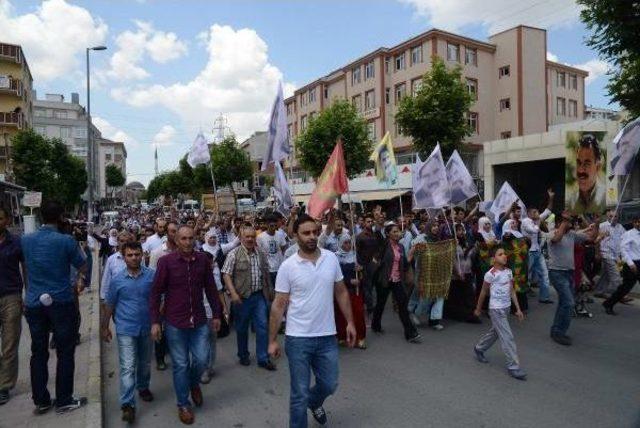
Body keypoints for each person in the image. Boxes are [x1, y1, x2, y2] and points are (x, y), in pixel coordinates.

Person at [268, 214, 356, 428]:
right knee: (298, 394)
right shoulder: (288, 266)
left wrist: (350, 323)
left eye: (315, 232)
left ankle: (315, 401)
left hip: (327, 336)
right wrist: (272, 340)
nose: (311, 236)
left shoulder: (331, 258)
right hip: (298, 339)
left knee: (330, 384)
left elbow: (342, 292)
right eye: (306, 233)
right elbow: (279, 304)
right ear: (295, 235)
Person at [149, 225, 222, 425]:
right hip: (175, 323)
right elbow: (155, 293)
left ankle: (193, 383)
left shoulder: (202, 261)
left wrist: (217, 314)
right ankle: (183, 403)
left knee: (201, 359)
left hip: (198, 320)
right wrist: (155, 321)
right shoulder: (166, 262)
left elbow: (211, 288)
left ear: (195, 239)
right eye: (183, 239)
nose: (188, 242)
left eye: (191, 238)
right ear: (177, 240)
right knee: (180, 364)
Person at [21, 200, 88, 414]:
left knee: (38, 352)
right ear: (61, 217)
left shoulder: (26, 240)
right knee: (65, 351)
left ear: (40, 216)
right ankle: (64, 400)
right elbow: (82, 263)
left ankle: (41, 401)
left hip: (33, 302)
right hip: (61, 301)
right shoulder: (66, 241)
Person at [102, 242, 155, 423]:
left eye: (137, 254)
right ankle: (127, 404)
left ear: (142, 255)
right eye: (130, 255)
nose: (134, 258)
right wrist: (104, 326)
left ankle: (143, 387)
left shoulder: (151, 276)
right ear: (123, 257)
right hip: (125, 328)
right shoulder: (117, 280)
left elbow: (158, 300)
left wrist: (158, 323)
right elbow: (109, 304)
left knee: (145, 362)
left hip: (147, 327)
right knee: (127, 366)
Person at [222, 224, 276, 371]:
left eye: (253, 236)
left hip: (259, 296)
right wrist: (233, 293)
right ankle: (243, 355)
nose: (250, 239)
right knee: (241, 329)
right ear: (241, 237)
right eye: (247, 236)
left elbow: (266, 274)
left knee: (262, 327)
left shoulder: (261, 253)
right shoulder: (234, 254)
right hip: (241, 298)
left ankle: (263, 358)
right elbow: (226, 274)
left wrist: (270, 290)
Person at [473, 246, 527, 381]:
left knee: (496, 332)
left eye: (504, 254)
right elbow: (483, 292)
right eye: (500, 254)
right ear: (493, 259)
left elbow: (512, 291)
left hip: (506, 307)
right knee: (507, 336)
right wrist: (478, 309)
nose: (504, 256)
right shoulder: (490, 274)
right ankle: (513, 367)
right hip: (496, 309)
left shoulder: (509, 272)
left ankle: (479, 348)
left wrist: (518, 309)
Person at [547, 211, 595, 346]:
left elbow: (591, 237)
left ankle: (556, 330)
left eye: (569, 221)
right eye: (565, 221)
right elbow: (556, 239)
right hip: (557, 273)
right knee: (568, 303)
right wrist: (564, 222)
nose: (570, 223)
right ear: (559, 222)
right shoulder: (552, 233)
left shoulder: (572, 235)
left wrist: (594, 223)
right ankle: (559, 332)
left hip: (569, 273)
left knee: (564, 302)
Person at [372, 223, 421, 343]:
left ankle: (411, 334)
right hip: (384, 280)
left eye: (398, 231)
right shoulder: (384, 244)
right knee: (380, 304)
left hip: (397, 280)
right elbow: (378, 233)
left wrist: (411, 252)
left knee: (402, 306)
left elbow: (404, 264)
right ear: (388, 234)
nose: (397, 233)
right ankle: (375, 325)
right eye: (394, 231)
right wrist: (378, 222)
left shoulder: (401, 247)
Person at [0, 207, 24, 405]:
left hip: (11, 297)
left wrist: (29, 293)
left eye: (0, 218)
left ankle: (4, 386)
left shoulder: (15, 242)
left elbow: (26, 268)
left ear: (7, 220)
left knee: (9, 344)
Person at [147, 221, 178, 371]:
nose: (175, 234)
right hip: (162, 298)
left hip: (178, 297)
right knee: (160, 328)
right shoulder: (157, 253)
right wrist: (158, 301)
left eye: (177, 231)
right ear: (167, 233)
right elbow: (152, 279)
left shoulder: (184, 250)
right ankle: (160, 358)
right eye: (172, 231)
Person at [521, 190, 554, 304]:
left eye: (537, 212)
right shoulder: (526, 221)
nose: (537, 213)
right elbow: (534, 231)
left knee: (544, 274)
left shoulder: (537, 219)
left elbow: (548, 211)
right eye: (535, 212)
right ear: (529, 213)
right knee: (525, 276)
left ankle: (544, 297)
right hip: (528, 252)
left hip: (537, 252)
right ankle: (520, 298)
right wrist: (539, 221)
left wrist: (551, 198)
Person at [334, 234, 367, 348]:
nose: (348, 245)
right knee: (341, 314)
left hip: (355, 291)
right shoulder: (335, 257)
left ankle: (360, 338)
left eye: (349, 242)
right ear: (340, 244)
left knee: (358, 312)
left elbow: (364, 274)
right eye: (345, 243)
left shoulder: (355, 256)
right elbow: (335, 276)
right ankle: (342, 336)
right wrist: (349, 281)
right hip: (342, 290)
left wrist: (361, 271)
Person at [603, 216, 640, 315]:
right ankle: (609, 304)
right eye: (637, 222)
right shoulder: (629, 234)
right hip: (632, 264)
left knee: (625, 287)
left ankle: (608, 303)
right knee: (625, 288)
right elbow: (623, 250)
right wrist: (631, 264)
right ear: (633, 222)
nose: (638, 224)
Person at [567, 134, 606, 215]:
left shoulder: (605, 198)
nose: (581, 170)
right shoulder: (572, 201)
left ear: (598, 167)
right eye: (579, 163)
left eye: (587, 164)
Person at [595, 208, 626, 299]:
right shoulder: (602, 226)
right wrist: (597, 253)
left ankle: (599, 291)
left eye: (615, 216)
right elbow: (596, 240)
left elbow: (625, 238)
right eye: (611, 216)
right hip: (606, 254)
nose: (613, 218)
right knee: (616, 275)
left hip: (617, 256)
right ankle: (621, 295)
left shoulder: (620, 227)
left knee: (606, 274)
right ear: (607, 216)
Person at [100, 231, 134, 301]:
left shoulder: (137, 258)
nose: (124, 243)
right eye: (122, 241)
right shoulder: (111, 259)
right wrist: (103, 298)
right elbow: (106, 281)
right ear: (118, 242)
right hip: (116, 299)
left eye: (127, 241)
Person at [256, 214, 287, 287]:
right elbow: (260, 253)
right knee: (270, 289)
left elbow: (283, 248)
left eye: (274, 225)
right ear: (267, 225)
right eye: (271, 225)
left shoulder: (280, 235)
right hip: (268, 269)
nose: (273, 228)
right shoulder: (260, 237)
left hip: (279, 268)